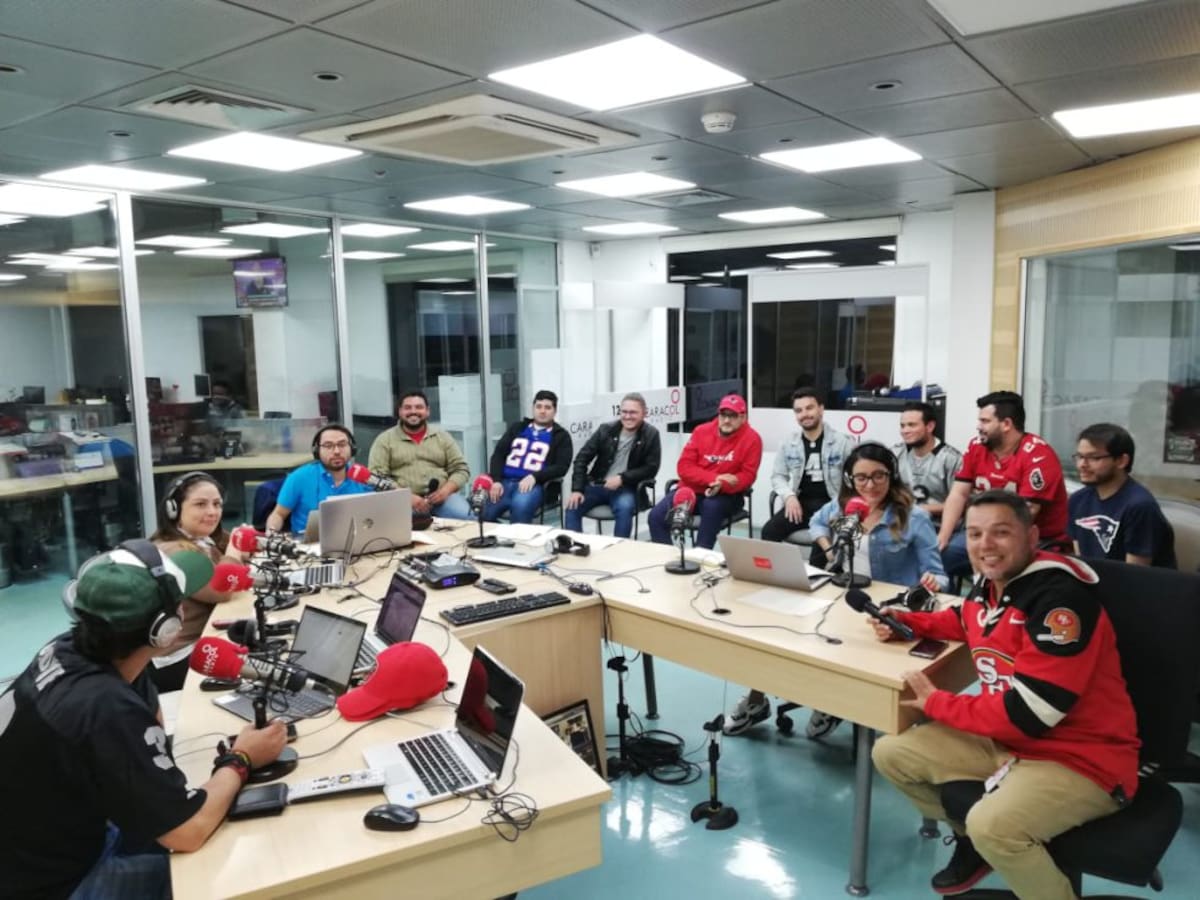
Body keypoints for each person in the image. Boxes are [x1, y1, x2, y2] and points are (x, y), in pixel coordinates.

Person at [871, 491, 1139, 900]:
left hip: (1082, 759)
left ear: (1031, 537)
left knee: (992, 826)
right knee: (892, 754)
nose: (985, 545)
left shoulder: (1060, 602)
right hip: (1010, 743)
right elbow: (968, 618)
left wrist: (938, 703)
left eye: (1000, 532)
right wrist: (908, 622)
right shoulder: (993, 584)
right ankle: (976, 847)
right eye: (975, 534)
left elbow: (1030, 713)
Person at [0, 543, 287, 899]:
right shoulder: (104, 706)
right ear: (165, 630)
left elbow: (151, 727)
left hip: (46, 845)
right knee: (227, 874)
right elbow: (188, 831)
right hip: (61, 883)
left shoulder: (73, 647)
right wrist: (241, 759)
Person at [728, 443, 946, 739]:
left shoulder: (913, 517)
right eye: (861, 478)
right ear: (849, 479)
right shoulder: (845, 507)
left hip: (885, 609)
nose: (870, 485)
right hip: (843, 595)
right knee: (779, 632)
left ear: (891, 476)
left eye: (879, 476)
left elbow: (939, 575)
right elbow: (817, 521)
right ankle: (757, 701)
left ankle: (834, 704)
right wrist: (828, 549)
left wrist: (932, 581)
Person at [936, 391, 1069, 578]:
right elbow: (959, 493)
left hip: (1034, 537)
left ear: (1006, 424)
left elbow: (1026, 513)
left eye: (985, 421)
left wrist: (984, 544)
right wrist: (943, 537)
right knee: (939, 556)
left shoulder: (1039, 456)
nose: (978, 427)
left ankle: (986, 591)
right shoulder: (976, 446)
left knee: (996, 561)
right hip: (987, 531)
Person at [148, 471, 249, 690]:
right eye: (200, 504)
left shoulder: (200, 539)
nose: (212, 512)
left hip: (204, 639)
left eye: (217, 504)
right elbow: (222, 590)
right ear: (174, 509)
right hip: (179, 656)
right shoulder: (176, 552)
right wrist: (235, 550)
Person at [648, 394, 762, 550]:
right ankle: (668, 556)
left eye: (733, 416)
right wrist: (715, 478)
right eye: (723, 414)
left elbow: (747, 476)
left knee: (711, 506)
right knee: (655, 516)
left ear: (743, 417)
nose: (726, 420)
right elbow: (684, 467)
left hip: (726, 495)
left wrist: (721, 485)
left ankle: (700, 555)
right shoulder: (701, 431)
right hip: (691, 490)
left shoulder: (753, 439)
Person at [1068, 423, 1176, 567]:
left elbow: (1135, 573)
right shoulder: (1077, 500)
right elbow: (1081, 561)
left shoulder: (1140, 506)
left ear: (1121, 461)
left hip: (1134, 580)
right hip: (1094, 579)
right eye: (1080, 456)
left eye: (1094, 458)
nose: (1082, 464)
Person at [564, 392, 661, 538]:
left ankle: (619, 549)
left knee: (624, 507)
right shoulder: (606, 430)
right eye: (624, 412)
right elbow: (581, 459)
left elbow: (651, 469)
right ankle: (575, 546)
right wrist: (577, 489)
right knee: (573, 505)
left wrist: (622, 478)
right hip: (598, 485)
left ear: (644, 413)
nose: (627, 416)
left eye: (633, 412)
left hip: (627, 488)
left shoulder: (651, 434)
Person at [762, 386, 852, 543]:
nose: (804, 414)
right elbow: (778, 476)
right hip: (800, 505)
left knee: (822, 543)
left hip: (832, 506)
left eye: (809, 408)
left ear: (821, 409)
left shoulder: (842, 442)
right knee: (768, 532)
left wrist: (844, 506)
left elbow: (855, 479)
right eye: (799, 411)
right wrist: (789, 496)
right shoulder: (788, 443)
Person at [367, 390, 472, 519]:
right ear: (400, 411)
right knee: (404, 524)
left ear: (427, 411)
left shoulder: (443, 437)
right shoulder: (384, 440)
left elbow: (461, 469)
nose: (413, 411)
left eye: (419, 407)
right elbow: (376, 477)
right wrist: (406, 496)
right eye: (407, 408)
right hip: (402, 500)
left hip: (443, 498)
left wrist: (445, 491)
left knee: (464, 516)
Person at [484, 390, 573, 524]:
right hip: (505, 482)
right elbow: (498, 455)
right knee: (482, 512)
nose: (542, 411)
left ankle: (517, 537)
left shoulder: (561, 436)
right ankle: (500, 534)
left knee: (520, 507)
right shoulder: (517, 428)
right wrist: (496, 480)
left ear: (555, 411)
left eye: (547, 408)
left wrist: (535, 477)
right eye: (539, 406)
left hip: (535, 485)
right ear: (533, 408)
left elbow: (561, 467)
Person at [265, 423, 371, 534]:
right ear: (317, 451)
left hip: (355, 540)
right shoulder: (299, 477)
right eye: (328, 446)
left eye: (342, 444)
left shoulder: (363, 478)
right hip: (307, 543)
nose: (336, 451)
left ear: (352, 448)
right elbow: (278, 514)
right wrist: (272, 533)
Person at [893, 401, 963, 526]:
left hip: (939, 526)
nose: (905, 430)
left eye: (911, 425)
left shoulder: (952, 459)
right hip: (903, 525)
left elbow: (962, 503)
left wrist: (920, 509)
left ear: (930, 426)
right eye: (902, 426)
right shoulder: (895, 453)